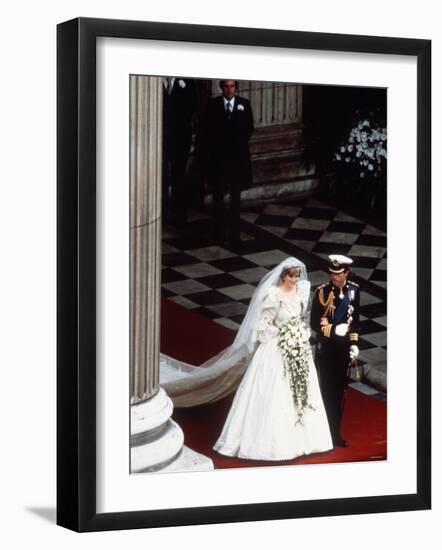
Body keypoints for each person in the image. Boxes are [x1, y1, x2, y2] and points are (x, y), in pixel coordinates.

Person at [212, 258, 333, 460]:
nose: (294, 280)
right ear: (283, 276)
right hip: (276, 348)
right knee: (274, 391)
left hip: (297, 347)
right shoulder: (273, 295)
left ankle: (305, 440)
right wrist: (283, 333)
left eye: (296, 276)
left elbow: (303, 318)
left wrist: (299, 333)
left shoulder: (302, 291)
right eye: (291, 276)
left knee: (302, 388)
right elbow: (262, 324)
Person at [310, 254, 360, 448]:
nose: (334, 277)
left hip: (343, 350)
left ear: (346, 272)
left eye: (338, 274)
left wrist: (354, 343)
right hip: (327, 349)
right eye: (332, 273)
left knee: (339, 393)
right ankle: (322, 434)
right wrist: (331, 330)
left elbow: (355, 320)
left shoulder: (354, 290)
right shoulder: (322, 291)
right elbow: (314, 321)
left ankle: (334, 433)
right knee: (325, 391)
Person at [206, 80, 254, 245]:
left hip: (237, 162)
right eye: (226, 86)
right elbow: (208, 130)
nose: (229, 89)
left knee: (235, 200)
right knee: (218, 199)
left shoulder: (244, 104)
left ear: (236, 88)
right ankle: (218, 234)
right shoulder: (213, 105)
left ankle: (235, 235)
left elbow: (249, 128)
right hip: (219, 161)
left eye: (232, 86)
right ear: (221, 88)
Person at [162, 77, 196, 227]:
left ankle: (178, 215)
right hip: (159, 138)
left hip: (180, 137)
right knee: (160, 175)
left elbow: (192, 105)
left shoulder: (186, 81)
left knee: (179, 175)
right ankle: (160, 214)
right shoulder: (154, 79)